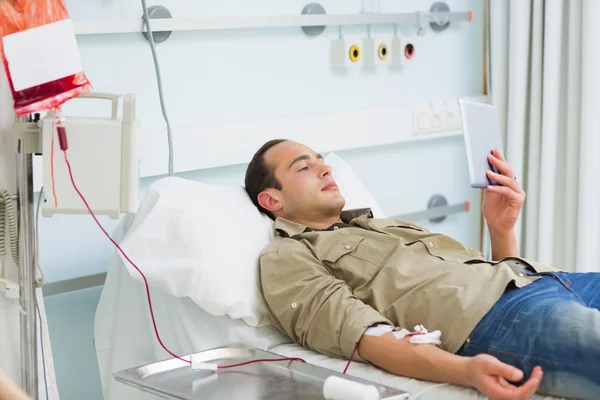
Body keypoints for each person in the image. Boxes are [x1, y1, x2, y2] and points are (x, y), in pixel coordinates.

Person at [244, 139, 600, 400]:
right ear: (272, 200)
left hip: (546, 280)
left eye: (322, 161)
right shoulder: (287, 256)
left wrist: (501, 229)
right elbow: (365, 336)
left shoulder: (384, 226)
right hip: (498, 320)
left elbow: (485, 275)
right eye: (305, 167)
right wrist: (465, 371)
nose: (325, 169)